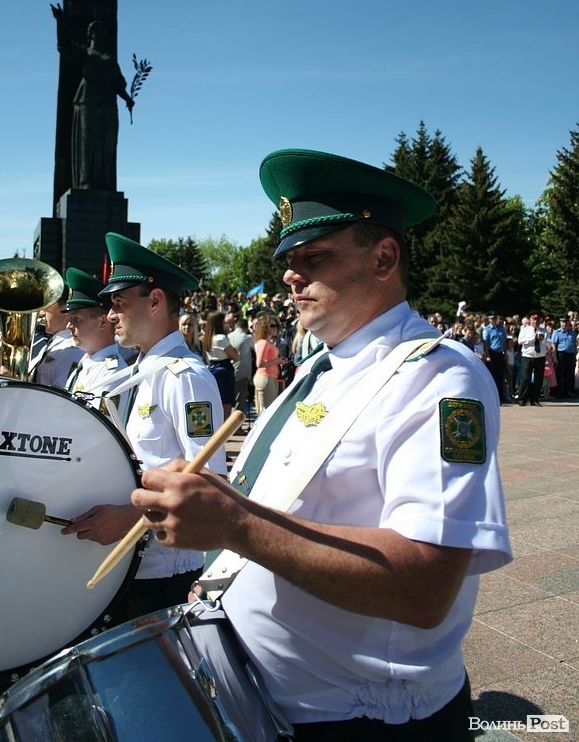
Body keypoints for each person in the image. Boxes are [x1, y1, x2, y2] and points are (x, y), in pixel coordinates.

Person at [131, 149, 511, 740]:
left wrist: (236, 525)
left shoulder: (436, 376)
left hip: (357, 719)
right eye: (288, 259)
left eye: (314, 257)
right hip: (265, 697)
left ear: (385, 257)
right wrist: (215, 509)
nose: (290, 274)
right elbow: (298, 506)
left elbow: (426, 585)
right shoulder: (325, 369)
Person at [62, 233, 226, 621]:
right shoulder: (142, 373)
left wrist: (128, 518)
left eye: (119, 302)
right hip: (128, 564)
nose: (111, 315)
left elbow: (208, 481)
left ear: (155, 301)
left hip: (162, 572)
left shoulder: (185, 377)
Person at [51, 4, 134, 191]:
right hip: (87, 103)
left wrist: (128, 98)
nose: (100, 35)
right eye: (96, 32)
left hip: (107, 106)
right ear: (90, 35)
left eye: (102, 32)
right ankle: (85, 183)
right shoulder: (85, 54)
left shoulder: (110, 60)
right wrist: (60, 23)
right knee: (87, 146)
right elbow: (64, 45)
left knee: (107, 147)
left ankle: (105, 185)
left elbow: (118, 85)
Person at [62, 267, 131, 416]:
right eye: (69, 319)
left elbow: (100, 432)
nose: (69, 326)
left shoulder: (113, 373)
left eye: (76, 319)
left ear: (102, 322)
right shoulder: (85, 363)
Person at [32, 291, 85, 388]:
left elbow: (59, 398)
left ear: (65, 312)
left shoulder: (72, 350)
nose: (41, 313)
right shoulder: (54, 343)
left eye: (47, 309)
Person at [202, 310, 240, 420]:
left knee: (216, 402)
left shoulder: (207, 338)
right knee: (226, 403)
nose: (226, 324)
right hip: (224, 371)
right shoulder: (221, 338)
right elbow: (236, 357)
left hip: (213, 370)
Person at [253, 313, 288, 413]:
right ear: (265, 327)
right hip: (266, 378)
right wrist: (278, 361)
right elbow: (259, 364)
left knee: (266, 410)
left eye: (276, 325)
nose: (275, 328)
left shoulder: (266, 342)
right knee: (266, 412)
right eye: (272, 326)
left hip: (269, 378)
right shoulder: (264, 343)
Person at [227, 313, 255, 419]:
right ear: (246, 327)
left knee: (231, 400)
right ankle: (237, 426)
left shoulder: (229, 336)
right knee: (240, 400)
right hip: (243, 372)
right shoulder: (247, 338)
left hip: (231, 371)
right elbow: (255, 348)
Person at [516, 312, 547, 406]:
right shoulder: (525, 330)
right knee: (525, 378)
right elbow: (520, 341)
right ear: (530, 319)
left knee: (538, 379)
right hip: (527, 356)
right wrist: (532, 339)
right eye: (533, 318)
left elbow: (548, 343)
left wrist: (542, 341)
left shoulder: (544, 330)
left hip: (540, 356)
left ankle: (535, 399)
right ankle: (522, 398)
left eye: (537, 319)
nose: (535, 321)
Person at [482, 312, 507, 403]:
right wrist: (488, 355)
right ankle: (491, 397)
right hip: (491, 353)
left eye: (494, 318)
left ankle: (501, 396)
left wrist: (505, 353)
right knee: (492, 376)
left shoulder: (501, 329)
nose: (493, 320)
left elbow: (504, 341)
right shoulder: (487, 329)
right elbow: (486, 344)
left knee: (500, 376)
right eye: (491, 318)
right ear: (489, 319)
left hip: (500, 354)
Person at [551, 315, 578, 398]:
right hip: (560, 354)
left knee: (568, 374)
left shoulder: (573, 333)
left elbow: (574, 345)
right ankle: (558, 392)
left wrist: (574, 358)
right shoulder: (556, 332)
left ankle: (566, 392)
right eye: (563, 322)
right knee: (560, 374)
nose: (564, 323)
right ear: (560, 322)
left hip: (570, 355)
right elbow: (554, 346)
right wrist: (555, 358)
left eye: (566, 321)